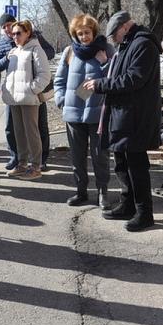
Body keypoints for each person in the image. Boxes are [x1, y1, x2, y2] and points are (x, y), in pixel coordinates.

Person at [83, 10, 162, 232]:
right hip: (123, 115)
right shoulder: (128, 44)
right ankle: (127, 205)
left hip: (135, 117)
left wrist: (101, 85)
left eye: (115, 35)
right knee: (122, 162)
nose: (113, 40)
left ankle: (144, 213)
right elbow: (118, 75)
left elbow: (133, 79)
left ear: (125, 27)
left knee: (136, 165)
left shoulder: (143, 44)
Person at [54, 14, 113, 208]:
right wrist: (61, 100)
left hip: (97, 114)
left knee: (100, 156)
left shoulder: (106, 50)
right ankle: (81, 192)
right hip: (73, 113)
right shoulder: (70, 52)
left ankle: (103, 193)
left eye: (87, 32)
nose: (84, 37)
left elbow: (115, 79)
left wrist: (104, 62)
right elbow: (59, 80)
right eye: (80, 34)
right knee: (77, 157)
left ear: (94, 32)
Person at [0, 13, 55, 171]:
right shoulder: (9, 48)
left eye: (17, 32)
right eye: (9, 31)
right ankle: (20, 161)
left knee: (35, 130)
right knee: (16, 131)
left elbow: (45, 73)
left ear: (27, 32)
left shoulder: (36, 45)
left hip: (30, 96)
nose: (13, 34)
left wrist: (32, 88)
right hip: (14, 98)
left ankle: (38, 164)